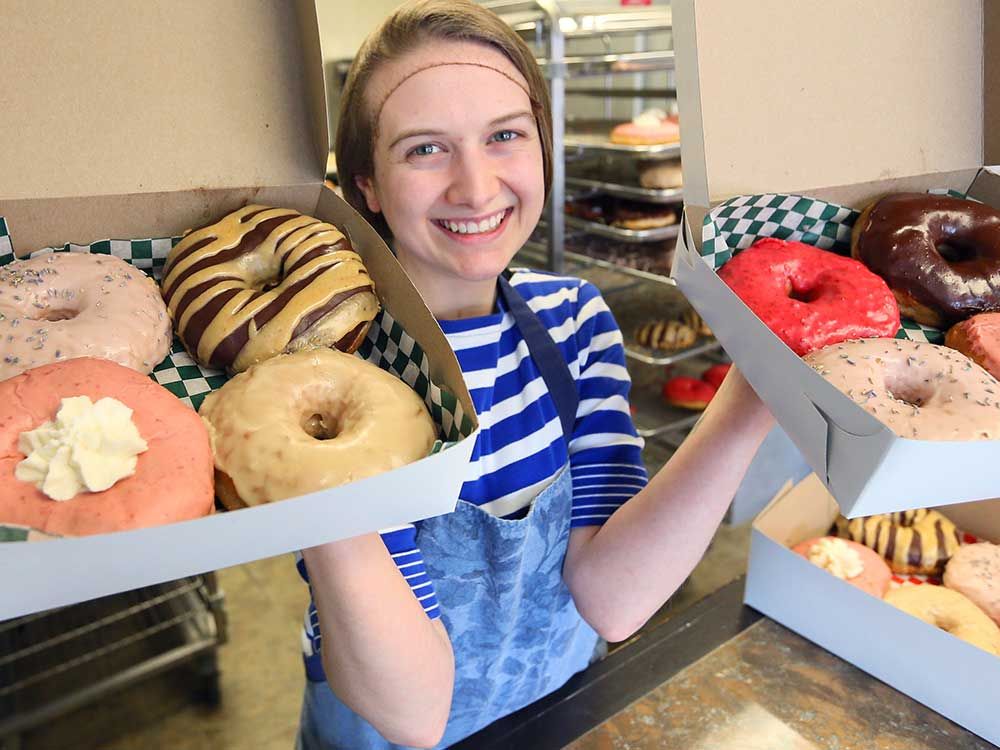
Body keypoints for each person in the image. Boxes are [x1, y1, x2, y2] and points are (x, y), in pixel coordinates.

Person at [296, 2, 774, 748]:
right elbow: (414, 714)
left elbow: (612, 602)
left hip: (560, 703)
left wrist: (757, 393)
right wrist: (307, 476)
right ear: (366, 185)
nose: (477, 187)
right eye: (426, 149)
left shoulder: (574, 319)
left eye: (505, 136)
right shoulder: (329, 377)